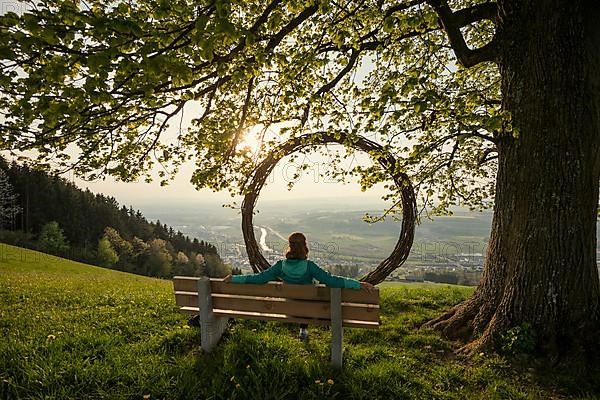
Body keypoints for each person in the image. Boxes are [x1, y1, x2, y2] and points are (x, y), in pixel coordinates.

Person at [223, 232, 374, 341]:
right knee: (313, 295)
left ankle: (302, 327)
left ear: (289, 247)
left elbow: (258, 278)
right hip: (310, 309)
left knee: (297, 297)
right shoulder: (310, 266)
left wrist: (234, 278)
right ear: (304, 246)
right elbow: (332, 281)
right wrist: (358, 284)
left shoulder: (280, 266)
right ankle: (304, 328)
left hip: (288, 306)